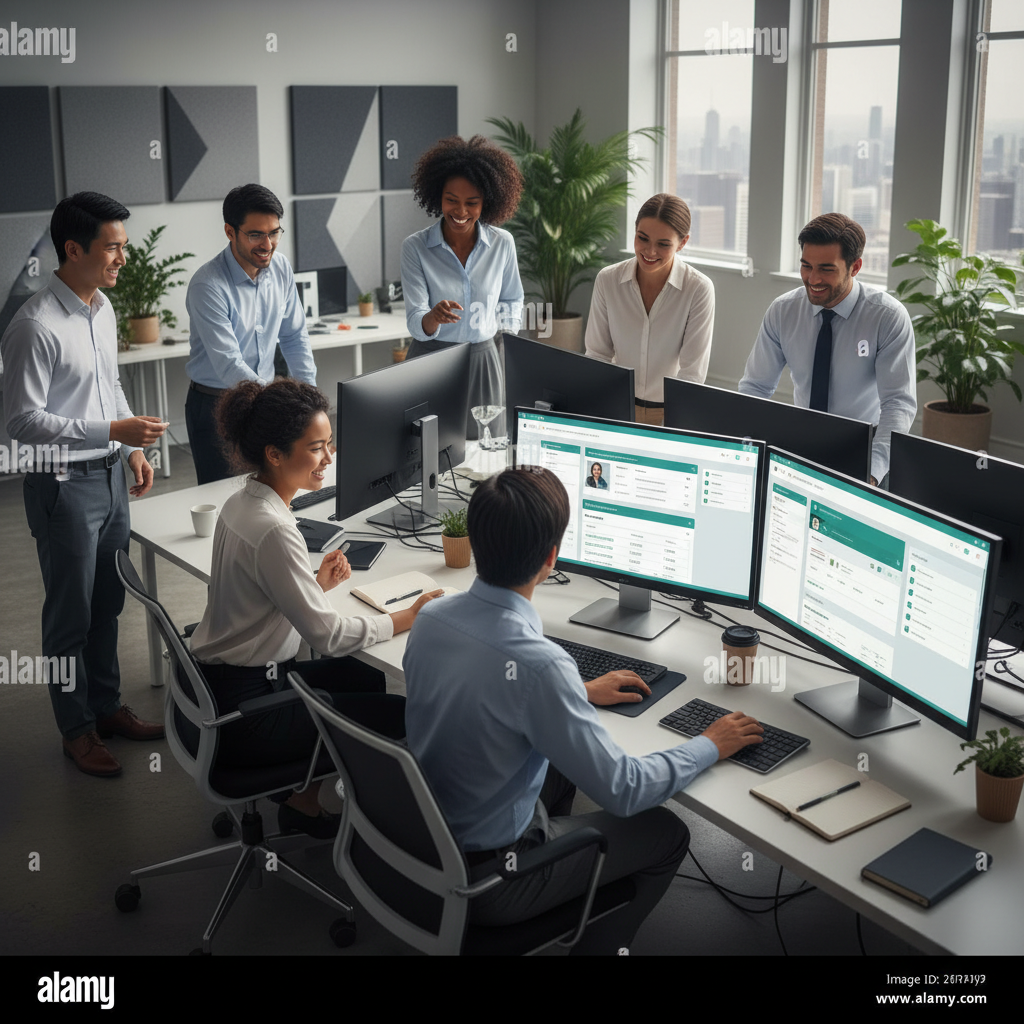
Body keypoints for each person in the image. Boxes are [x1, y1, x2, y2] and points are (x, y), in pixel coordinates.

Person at [403, 467, 764, 954]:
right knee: (666, 831)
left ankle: (559, 873)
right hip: (492, 879)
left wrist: (576, 691)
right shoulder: (539, 666)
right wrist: (709, 744)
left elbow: (485, 690)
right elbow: (625, 791)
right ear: (551, 558)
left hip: (425, 839)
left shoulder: (431, 618)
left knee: (560, 762)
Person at [187, 379, 441, 837]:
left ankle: (302, 800)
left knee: (360, 675)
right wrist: (408, 617)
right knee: (402, 716)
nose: (329, 458)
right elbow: (326, 636)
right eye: (317, 448)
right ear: (275, 454)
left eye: (330, 445)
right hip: (248, 713)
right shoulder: (274, 529)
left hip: (219, 683)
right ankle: (391, 833)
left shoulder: (241, 502)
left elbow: (259, 603)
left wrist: (313, 585)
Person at [1, 192, 167, 777]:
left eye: (124, 245)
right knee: (69, 614)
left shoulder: (102, 309)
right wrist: (111, 429)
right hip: (62, 485)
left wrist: (126, 448)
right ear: (74, 249)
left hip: (108, 477)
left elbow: (110, 387)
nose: (124, 257)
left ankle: (106, 707)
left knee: (108, 603)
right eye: (113, 247)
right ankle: (76, 729)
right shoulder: (34, 326)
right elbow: (20, 424)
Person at [738, 213, 916, 486]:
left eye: (826, 269)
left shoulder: (887, 317)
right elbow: (756, 388)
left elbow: (897, 404)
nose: (813, 278)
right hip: (799, 445)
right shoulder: (783, 311)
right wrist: (748, 450)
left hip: (864, 451)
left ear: (855, 267)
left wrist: (871, 473)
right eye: (806, 266)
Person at [185, 183, 317, 484]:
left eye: (274, 232)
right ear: (230, 232)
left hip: (265, 400)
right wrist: (279, 404)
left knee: (270, 490)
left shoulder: (281, 268)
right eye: (256, 234)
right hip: (216, 404)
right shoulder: (208, 285)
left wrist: (311, 402)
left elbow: (295, 336)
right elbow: (229, 364)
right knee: (223, 496)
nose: (267, 244)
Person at [400, 135, 524, 437]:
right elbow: (416, 319)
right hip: (430, 360)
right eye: (451, 200)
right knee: (425, 451)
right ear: (437, 196)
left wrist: (500, 339)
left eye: (472, 203)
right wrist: (434, 317)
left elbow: (512, 300)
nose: (460, 211)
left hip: (483, 361)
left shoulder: (502, 243)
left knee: (484, 448)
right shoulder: (415, 247)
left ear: (488, 202)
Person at [585, 194, 714, 426]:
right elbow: (597, 356)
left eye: (663, 244)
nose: (650, 251)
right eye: (642, 238)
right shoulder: (608, 280)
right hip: (615, 409)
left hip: (670, 414)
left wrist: (672, 428)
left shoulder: (698, 289)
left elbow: (692, 375)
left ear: (682, 243)